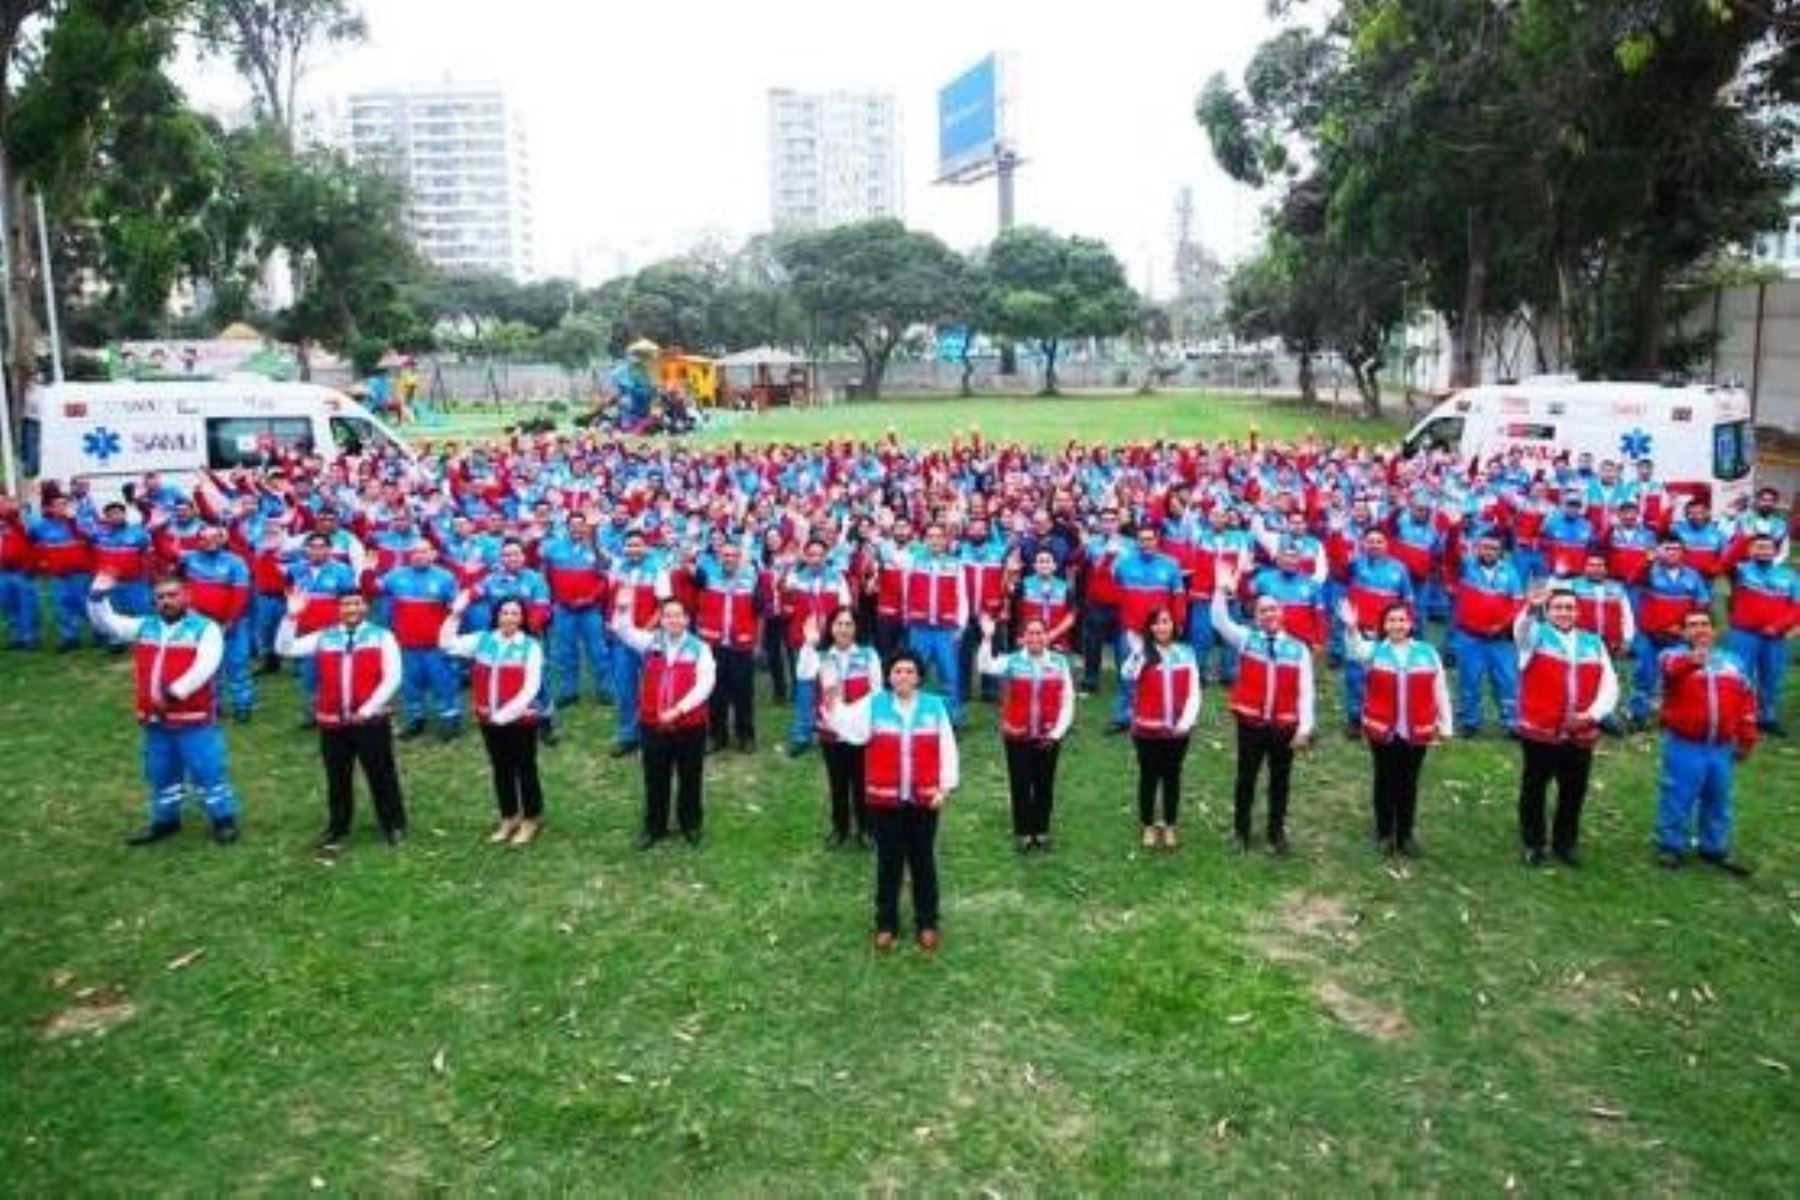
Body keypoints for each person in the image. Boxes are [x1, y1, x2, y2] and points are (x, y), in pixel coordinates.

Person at [819, 649, 960, 952]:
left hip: (924, 801)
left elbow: (947, 749)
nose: (904, 676)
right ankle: (886, 923)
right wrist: (831, 699)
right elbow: (847, 726)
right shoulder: (874, 704)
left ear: (919, 676)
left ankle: (927, 922)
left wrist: (943, 789)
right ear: (888, 676)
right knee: (889, 864)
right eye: (898, 671)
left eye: (910, 671)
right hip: (885, 802)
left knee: (923, 862)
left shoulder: (935, 707)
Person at [87, 572, 242, 845]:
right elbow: (108, 625)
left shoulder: (205, 628)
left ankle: (223, 819)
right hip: (156, 719)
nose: (166, 601)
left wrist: (174, 692)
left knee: (207, 770)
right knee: (160, 772)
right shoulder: (146, 626)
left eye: (172, 595)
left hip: (194, 718)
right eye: (160, 597)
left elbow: (206, 666)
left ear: (187, 596)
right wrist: (98, 598)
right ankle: (165, 821)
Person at [274, 588, 407, 855]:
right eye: (346, 604)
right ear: (338, 608)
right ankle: (337, 826)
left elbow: (393, 676)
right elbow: (284, 648)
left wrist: (369, 709)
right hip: (332, 721)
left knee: (381, 773)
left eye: (356, 604)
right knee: (337, 777)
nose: (351, 609)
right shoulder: (325, 637)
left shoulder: (382, 636)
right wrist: (290, 617)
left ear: (365, 607)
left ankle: (393, 823)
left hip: (370, 720)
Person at [1513, 582, 1620, 867]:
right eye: (1558, 607)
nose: (1564, 612)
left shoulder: (1593, 643)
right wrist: (1532, 608)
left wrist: (1591, 716)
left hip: (1579, 731)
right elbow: (1521, 631)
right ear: (1548, 611)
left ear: (1578, 611)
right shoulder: (1535, 637)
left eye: (1569, 608)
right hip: (1540, 729)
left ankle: (1565, 842)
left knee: (1574, 789)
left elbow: (1610, 686)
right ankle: (1533, 842)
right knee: (1534, 788)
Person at [1210, 565, 1315, 855]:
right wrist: (1220, 589)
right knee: (1246, 779)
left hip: (1284, 726)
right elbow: (1219, 620)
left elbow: (1306, 692)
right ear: (1256, 617)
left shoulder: (1298, 649)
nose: (1269, 614)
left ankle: (1275, 832)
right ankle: (1240, 832)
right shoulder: (1246, 639)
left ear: (1282, 614)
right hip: (1251, 724)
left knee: (1280, 782)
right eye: (1262, 611)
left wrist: (1305, 729)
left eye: (1273, 609)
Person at [1342, 600, 1454, 857]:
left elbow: (1440, 690)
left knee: (1409, 783)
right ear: (1384, 625)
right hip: (1383, 730)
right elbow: (1355, 650)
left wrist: (1446, 725)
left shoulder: (1428, 652)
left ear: (1411, 623)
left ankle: (1405, 834)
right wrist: (1351, 628)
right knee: (1384, 781)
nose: (1397, 625)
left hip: (1417, 730)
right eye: (1391, 620)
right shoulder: (1375, 651)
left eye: (1402, 620)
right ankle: (1384, 832)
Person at [611, 587, 716, 848]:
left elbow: (705, 684)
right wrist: (623, 609)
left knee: (690, 776)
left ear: (687, 619)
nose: (673, 620)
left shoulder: (700, 648)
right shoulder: (651, 642)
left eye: (678, 616)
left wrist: (679, 709)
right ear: (662, 619)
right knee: (655, 777)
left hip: (690, 726)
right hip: (653, 724)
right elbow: (623, 632)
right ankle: (654, 826)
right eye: (668, 616)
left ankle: (690, 824)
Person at [1655, 610, 1758, 874]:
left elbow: (1746, 701)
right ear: (1683, 631)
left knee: (1718, 798)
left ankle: (1713, 846)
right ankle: (1671, 845)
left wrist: (1747, 737)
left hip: (1720, 746)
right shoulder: (1672, 657)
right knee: (1677, 794)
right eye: (1692, 625)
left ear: (1714, 630)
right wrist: (1693, 660)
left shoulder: (1733, 662)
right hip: (1685, 745)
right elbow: (1670, 670)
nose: (1699, 629)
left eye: (1704, 624)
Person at [441, 594, 548, 846]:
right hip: (488, 719)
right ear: (496, 616)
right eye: (504, 612)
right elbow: (446, 644)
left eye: (514, 613)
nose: (509, 618)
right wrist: (455, 615)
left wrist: (506, 715)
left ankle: (531, 818)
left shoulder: (530, 646)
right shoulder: (482, 640)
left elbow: (531, 687)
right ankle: (509, 816)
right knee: (500, 768)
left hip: (520, 719)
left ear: (522, 618)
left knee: (525, 768)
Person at [977, 612, 1075, 852]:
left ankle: (1041, 830)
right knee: (1020, 783)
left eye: (1040, 633)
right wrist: (987, 638)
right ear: (1022, 638)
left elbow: (1068, 700)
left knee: (1044, 784)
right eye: (1030, 633)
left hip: (1048, 736)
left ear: (1047, 636)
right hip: (1017, 734)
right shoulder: (1012, 661)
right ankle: (1023, 831)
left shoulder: (1059, 663)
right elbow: (984, 666)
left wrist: (1056, 734)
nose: (1035, 638)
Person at [796, 607, 884, 847]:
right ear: (831, 628)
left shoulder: (868, 656)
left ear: (856, 628)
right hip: (831, 731)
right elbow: (803, 674)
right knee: (837, 781)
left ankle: (866, 829)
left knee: (861, 781)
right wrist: (808, 645)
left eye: (849, 624)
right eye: (839, 624)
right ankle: (840, 827)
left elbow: (877, 692)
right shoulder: (821, 656)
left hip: (861, 732)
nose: (844, 629)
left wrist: (873, 725)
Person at [1121, 606, 1202, 850]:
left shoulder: (1186, 653)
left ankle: (1169, 824)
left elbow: (1194, 691)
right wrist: (1136, 653)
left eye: (1166, 622)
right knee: (1148, 776)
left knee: (1172, 776)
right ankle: (1147, 824)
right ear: (1150, 628)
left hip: (1177, 731)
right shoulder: (1143, 654)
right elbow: (1127, 675)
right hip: (1147, 730)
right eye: (1156, 623)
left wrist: (1185, 722)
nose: (1161, 627)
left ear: (1174, 626)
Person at [378, 542, 461, 741]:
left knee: (443, 683)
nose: (418, 555)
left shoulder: (445, 577)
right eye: (414, 551)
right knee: (410, 684)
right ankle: (416, 719)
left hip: (436, 646)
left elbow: (457, 610)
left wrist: (450, 638)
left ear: (432, 554)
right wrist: (366, 571)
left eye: (423, 551)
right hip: (407, 644)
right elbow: (373, 590)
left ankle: (450, 719)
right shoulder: (395, 576)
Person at [1449, 533, 1524, 737]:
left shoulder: (1511, 572)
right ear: (1476, 548)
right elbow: (1449, 554)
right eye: (1484, 547)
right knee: (1469, 679)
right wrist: (1454, 527)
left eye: (1493, 548)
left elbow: (1518, 604)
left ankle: (1512, 722)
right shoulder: (1465, 568)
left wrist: (1504, 627)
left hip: (1501, 639)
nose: (1488, 551)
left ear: (1500, 551)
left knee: (1507, 681)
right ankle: (1469, 721)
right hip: (1470, 637)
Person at [693, 539, 764, 753]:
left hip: (741, 646)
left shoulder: (752, 581)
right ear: (719, 558)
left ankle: (746, 736)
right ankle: (716, 736)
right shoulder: (708, 578)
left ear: (741, 558)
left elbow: (759, 615)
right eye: (726, 555)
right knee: (715, 694)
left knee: (743, 694)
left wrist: (758, 643)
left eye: (734, 555)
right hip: (713, 645)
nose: (729, 559)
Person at [1724, 534, 1797, 736]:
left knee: (1771, 676)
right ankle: (1737, 717)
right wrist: (1743, 539)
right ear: (1751, 550)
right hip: (1744, 634)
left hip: (1774, 637)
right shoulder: (1741, 570)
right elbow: (1726, 562)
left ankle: (1767, 718)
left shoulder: (1789, 576)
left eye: (1768, 548)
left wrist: (1780, 626)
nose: (1763, 551)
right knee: (1739, 675)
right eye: (1759, 547)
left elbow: (1797, 607)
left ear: (1775, 552)